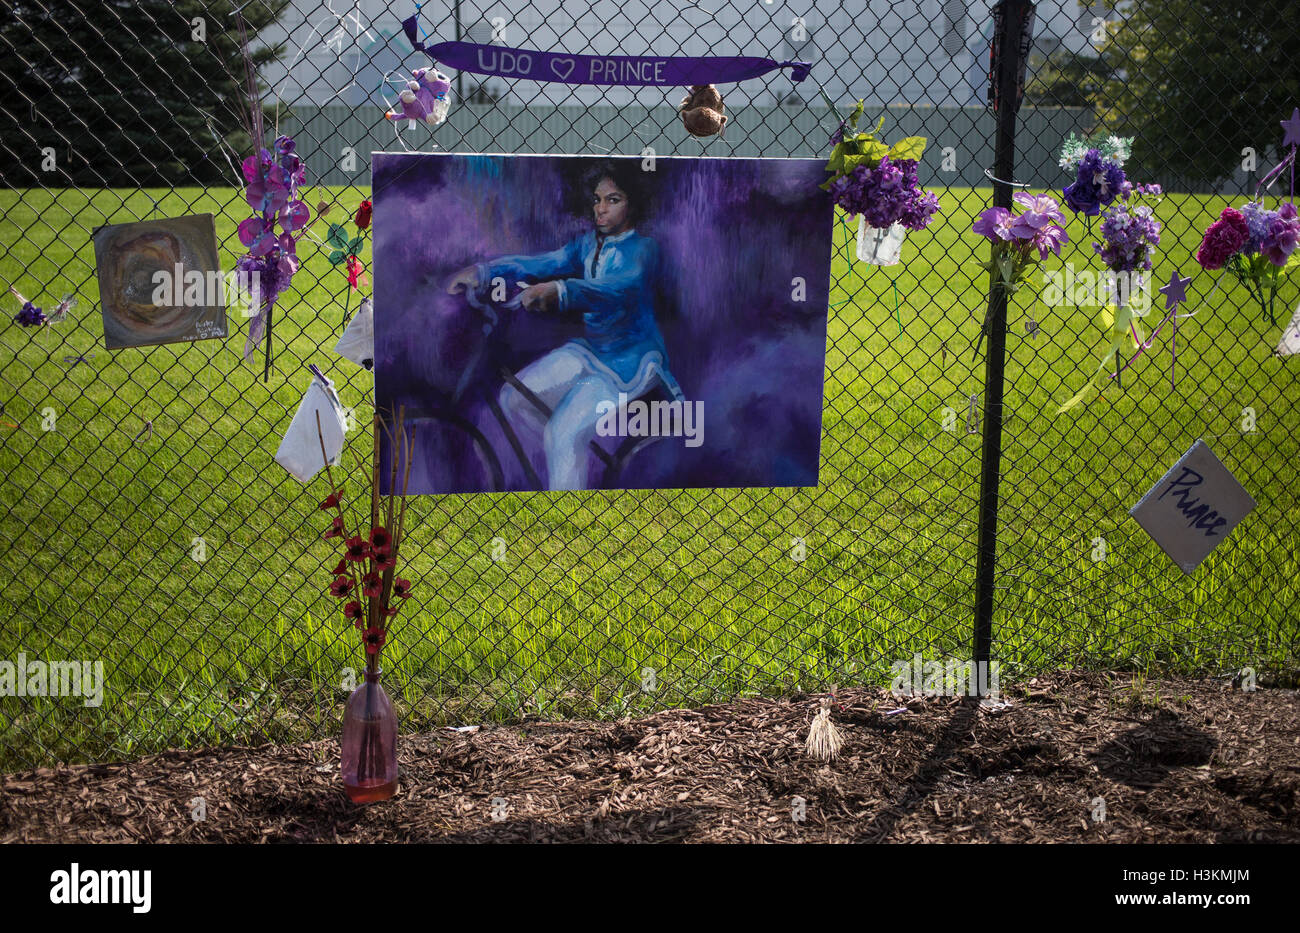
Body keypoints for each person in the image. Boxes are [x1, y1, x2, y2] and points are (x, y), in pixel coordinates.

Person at [446, 161, 682, 490]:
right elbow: (543, 263)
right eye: (597, 200)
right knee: (513, 399)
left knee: (563, 431)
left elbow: (618, 289)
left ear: (633, 204)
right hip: (591, 351)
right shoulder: (587, 245)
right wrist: (484, 272)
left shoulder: (644, 249)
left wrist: (561, 291)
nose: (600, 209)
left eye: (613, 200)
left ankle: (569, 503)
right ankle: (567, 465)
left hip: (631, 362)